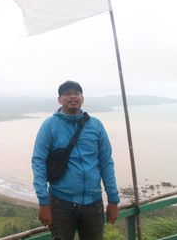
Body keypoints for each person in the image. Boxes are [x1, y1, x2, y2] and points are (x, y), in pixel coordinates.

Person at [31, 80, 120, 240]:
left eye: (76, 93)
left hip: (93, 203)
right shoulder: (50, 125)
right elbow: (38, 162)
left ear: (82, 98)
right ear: (60, 99)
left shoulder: (96, 126)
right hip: (60, 203)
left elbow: (106, 162)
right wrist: (43, 201)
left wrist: (113, 199)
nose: (72, 96)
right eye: (67, 93)